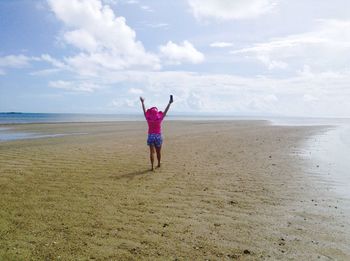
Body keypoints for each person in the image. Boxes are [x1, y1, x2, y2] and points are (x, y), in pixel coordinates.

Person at [140, 95, 173, 171]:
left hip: (151, 136)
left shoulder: (148, 119)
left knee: (152, 152)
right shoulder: (159, 118)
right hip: (158, 136)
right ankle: (158, 163)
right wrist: (169, 103)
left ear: (150, 114)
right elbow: (165, 111)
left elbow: (144, 111)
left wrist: (142, 102)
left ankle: (152, 167)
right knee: (158, 151)